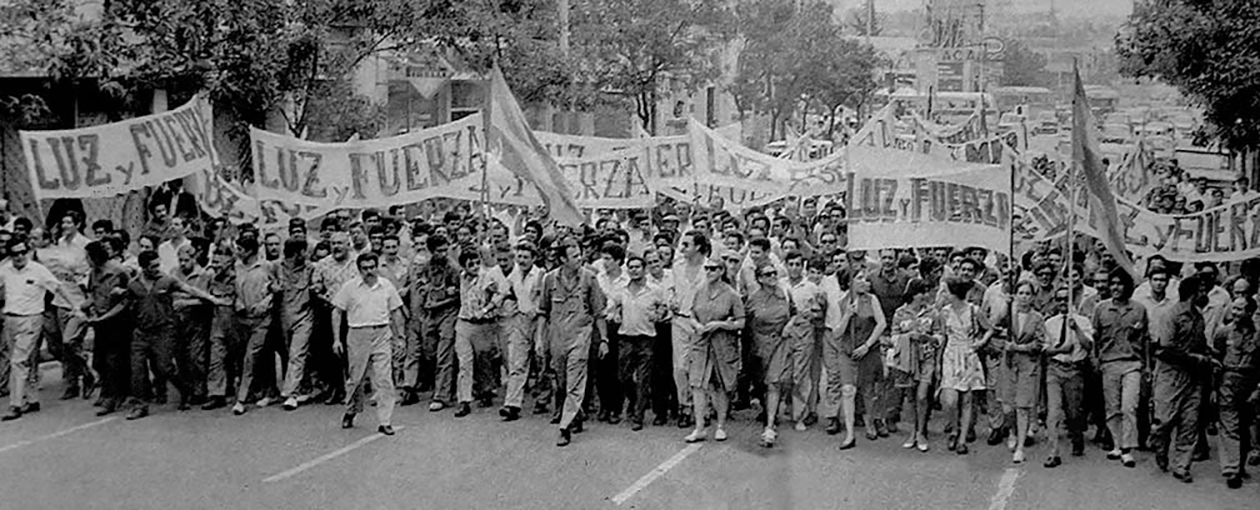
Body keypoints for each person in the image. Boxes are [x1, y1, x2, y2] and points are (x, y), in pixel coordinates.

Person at [120, 250, 225, 420]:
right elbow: (127, 303)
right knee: (137, 369)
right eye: (153, 266)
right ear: (143, 267)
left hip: (163, 331)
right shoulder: (133, 285)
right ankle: (140, 405)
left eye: (158, 265)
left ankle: (184, 389)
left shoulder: (167, 280)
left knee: (165, 367)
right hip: (142, 333)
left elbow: (189, 289)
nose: (157, 269)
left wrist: (212, 298)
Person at [0, 237, 76, 421]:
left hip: (31, 319)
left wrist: (74, 306)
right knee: (27, 360)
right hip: (11, 319)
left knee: (18, 361)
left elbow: (58, 287)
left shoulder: (37, 269)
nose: (19, 256)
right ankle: (32, 399)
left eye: (22, 252)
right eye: (15, 253)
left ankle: (15, 404)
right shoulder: (5, 270)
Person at [541, 240, 607, 447]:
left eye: (580, 254)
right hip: (557, 337)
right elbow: (543, 312)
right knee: (562, 382)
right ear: (563, 259)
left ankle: (565, 427)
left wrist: (603, 339)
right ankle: (576, 413)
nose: (580, 258)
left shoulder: (589, 278)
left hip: (580, 336)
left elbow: (598, 313)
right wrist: (539, 340)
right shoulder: (549, 279)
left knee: (575, 380)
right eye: (575, 256)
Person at [332, 252, 405, 436]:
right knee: (356, 379)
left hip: (382, 333)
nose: (369, 271)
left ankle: (385, 421)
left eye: (372, 267)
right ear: (359, 269)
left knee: (384, 378)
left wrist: (400, 337)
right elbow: (337, 312)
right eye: (365, 268)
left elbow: (396, 311)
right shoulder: (350, 287)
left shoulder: (386, 285)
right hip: (358, 334)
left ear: (377, 267)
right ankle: (351, 410)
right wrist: (336, 339)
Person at [1151, 275, 1215, 483]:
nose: (1205, 294)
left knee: (1190, 422)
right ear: (1192, 293)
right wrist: (1195, 357)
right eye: (1202, 290)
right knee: (1163, 422)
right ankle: (1160, 450)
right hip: (1170, 376)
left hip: (1193, 378)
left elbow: (1201, 344)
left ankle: (1182, 466)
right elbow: (1166, 348)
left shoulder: (1199, 317)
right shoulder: (1171, 316)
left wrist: (1209, 354)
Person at [683, 256, 745, 443]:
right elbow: (691, 313)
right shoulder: (699, 290)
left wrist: (720, 324)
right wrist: (696, 325)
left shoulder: (731, 294)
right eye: (707, 268)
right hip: (701, 343)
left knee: (721, 385)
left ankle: (721, 426)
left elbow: (741, 322)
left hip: (722, 344)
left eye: (713, 269)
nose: (709, 272)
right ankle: (699, 427)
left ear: (721, 271)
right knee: (698, 385)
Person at [1093, 267, 1149, 469]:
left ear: (1128, 287)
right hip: (1109, 363)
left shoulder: (1139, 309)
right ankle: (1117, 444)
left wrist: (1147, 366)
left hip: (1132, 364)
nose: (1116, 288)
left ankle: (1127, 448)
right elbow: (1095, 337)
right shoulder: (1101, 309)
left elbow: (1145, 340)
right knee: (1112, 408)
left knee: (1129, 406)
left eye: (1120, 284)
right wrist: (1096, 360)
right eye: (1113, 284)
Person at [606, 254, 666, 431]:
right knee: (623, 376)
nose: (634, 270)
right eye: (631, 267)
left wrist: (658, 314)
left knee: (643, 378)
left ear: (644, 269)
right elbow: (613, 303)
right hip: (626, 337)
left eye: (637, 267)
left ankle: (638, 416)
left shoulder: (654, 289)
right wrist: (615, 312)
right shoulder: (622, 289)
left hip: (646, 338)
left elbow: (663, 306)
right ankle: (634, 400)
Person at [939, 276, 993, 455]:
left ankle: (962, 439)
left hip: (969, 355)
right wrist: (939, 363)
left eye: (946, 291)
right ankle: (954, 429)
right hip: (951, 356)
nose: (944, 294)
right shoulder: (944, 312)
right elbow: (943, 337)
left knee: (968, 399)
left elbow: (989, 329)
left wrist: (981, 342)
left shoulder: (974, 311)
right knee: (950, 400)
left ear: (954, 293)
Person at [1211, 295, 1260, 488]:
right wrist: (1214, 388)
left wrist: (1257, 390)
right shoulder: (1224, 333)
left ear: (1250, 311)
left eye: (1240, 309)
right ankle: (1231, 470)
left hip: (1250, 384)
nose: (1235, 313)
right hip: (1228, 382)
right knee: (1229, 425)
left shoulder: (1258, 336)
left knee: (1245, 425)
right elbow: (1216, 362)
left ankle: (1239, 465)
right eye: (1234, 309)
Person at [745, 263, 795, 447]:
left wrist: (789, 325)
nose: (773, 276)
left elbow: (795, 313)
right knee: (761, 385)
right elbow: (747, 324)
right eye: (768, 274)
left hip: (780, 342)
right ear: (760, 279)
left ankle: (770, 426)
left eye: (774, 273)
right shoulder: (753, 299)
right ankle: (767, 412)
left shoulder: (785, 293)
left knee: (774, 382)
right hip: (760, 346)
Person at [1043, 286, 1094, 468]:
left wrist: (1076, 329)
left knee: (1074, 411)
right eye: (1059, 299)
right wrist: (1060, 349)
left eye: (1066, 299)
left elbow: (1088, 346)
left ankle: (1077, 437)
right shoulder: (1050, 323)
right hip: (1055, 369)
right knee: (1053, 411)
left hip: (1074, 370)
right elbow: (1045, 349)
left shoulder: (1083, 321)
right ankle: (1053, 453)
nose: (1063, 302)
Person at [452, 246, 506, 417]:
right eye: (471, 264)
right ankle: (464, 400)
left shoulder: (486, 277)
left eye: (477, 263)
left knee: (483, 360)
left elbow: (501, 293)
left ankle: (486, 390)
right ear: (464, 266)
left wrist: (486, 309)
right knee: (465, 362)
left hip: (483, 324)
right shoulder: (462, 277)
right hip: (464, 322)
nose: (475, 267)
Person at [890, 278, 942, 452]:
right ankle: (913, 430)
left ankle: (921, 431)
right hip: (908, 360)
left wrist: (929, 338)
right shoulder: (900, 313)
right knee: (911, 397)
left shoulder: (933, 312)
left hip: (927, 358)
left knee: (922, 395)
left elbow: (940, 336)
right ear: (913, 294)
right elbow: (893, 336)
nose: (925, 296)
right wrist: (907, 337)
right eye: (922, 292)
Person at [82, 240, 132, 416]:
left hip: (118, 321)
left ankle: (113, 397)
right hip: (101, 322)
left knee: (114, 361)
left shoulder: (118, 271)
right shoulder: (93, 273)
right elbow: (93, 295)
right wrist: (86, 307)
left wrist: (105, 316)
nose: (86, 260)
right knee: (98, 361)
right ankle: (110, 391)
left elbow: (126, 300)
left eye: (88, 257)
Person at [412, 234, 461, 411]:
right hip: (430, 314)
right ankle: (448, 385)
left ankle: (442, 395)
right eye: (439, 250)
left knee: (444, 355)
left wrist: (441, 300)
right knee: (429, 352)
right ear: (432, 251)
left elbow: (459, 296)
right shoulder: (427, 266)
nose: (443, 254)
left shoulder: (453, 268)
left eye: (445, 250)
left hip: (448, 313)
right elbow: (421, 286)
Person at [667, 231, 710, 429]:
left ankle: (703, 408)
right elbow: (671, 290)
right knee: (680, 367)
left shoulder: (709, 267)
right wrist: (671, 301)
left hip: (702, 323)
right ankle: (685, 405)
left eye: (686, 244)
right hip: (680, 320)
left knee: (701, 367)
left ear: (698, 247)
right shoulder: (677, 267)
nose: (682, 248)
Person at [500, 241, 543, 422]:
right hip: (521, 320)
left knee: (542, 363)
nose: (522, 260)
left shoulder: (540, 274)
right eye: (519, 256)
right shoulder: (514, 275)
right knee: (517, 363)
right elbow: (508, 293)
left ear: (534, 258)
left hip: (539, 322)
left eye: (526, 257)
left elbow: (541, 300)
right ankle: (512, 405)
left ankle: (543, 399)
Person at [1005, 280, 1045, 464]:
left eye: (1027, 294)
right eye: (1020, 293)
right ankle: (1012, 431)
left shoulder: (1037, 318)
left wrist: (1019, 347)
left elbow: (1039, 343)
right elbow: (994, 326)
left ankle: (1020, 447)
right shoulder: (1009, 313)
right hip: (1008, 364)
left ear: (1032, 297)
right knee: (1008, 406)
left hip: (1028, 365)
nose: (1024, 297)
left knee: (1022, 407)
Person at [275, 239, 316, 410]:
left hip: (304, 316)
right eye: (304, 251)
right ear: (297, 253)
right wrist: (272, 287)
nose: (306, 255)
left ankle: (291, 394)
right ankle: (305, 387)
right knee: (290, 354)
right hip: (284, 316)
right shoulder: (277, 268)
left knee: (297, 354)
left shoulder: (310, 268)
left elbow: (316, 285)